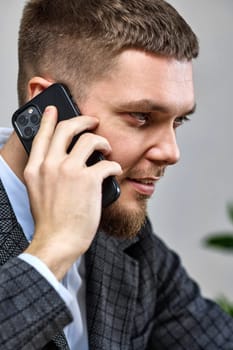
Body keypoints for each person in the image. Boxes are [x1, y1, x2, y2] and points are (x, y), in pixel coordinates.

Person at [0, 0, 232, 349]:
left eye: (178, 121)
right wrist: (54, 249)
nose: (172, 152)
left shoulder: (129, 242)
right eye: (141, 116)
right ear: (49, 107)